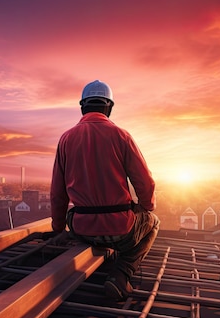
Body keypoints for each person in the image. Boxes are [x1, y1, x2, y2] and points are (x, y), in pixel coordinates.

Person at [49, 80, 160, 301]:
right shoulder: (121, 136)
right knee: (153, 222)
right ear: (108, 108)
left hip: (81, 229)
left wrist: (58, 228)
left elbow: (57, 193)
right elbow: (145, 183)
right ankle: (121, 275)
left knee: (90, 226)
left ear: (83, 107)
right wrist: (145, 208)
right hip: (121, 230)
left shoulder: (66, 138)